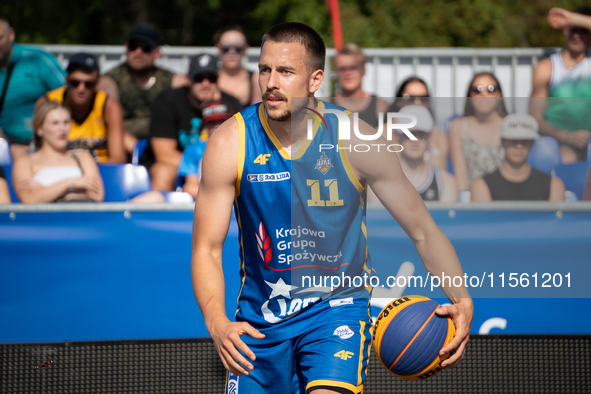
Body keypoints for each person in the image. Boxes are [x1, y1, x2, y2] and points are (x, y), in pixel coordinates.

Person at [191, 22, 473, 394]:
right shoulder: (230, 142)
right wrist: (217, 322)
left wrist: (461, 297)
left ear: (315, 79)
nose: (271, 82)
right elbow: (206, 249)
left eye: (286, 71)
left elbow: (422, 229)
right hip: (259, 324)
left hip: (336, 311)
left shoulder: (357, 139)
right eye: (265, 69)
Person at [147, 53, 241, 191]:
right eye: (198, 78)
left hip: (222, 165)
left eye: (211, 78)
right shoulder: (167, 101)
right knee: (163, 171)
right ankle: (164, 213)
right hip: (181, 166)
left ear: (218, 79)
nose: (205, 84)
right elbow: (164, 154)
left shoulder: (231, 104)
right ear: (187, 79)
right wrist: (200, 168)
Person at [99, 23, 189, 154]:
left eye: (146, 47)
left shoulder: (171, 80)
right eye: (133, 46)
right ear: (126, 48)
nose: (138, 51)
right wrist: (137, 149)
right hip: (122, 147)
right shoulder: (111, 79)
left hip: (164, 146)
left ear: (157, 53)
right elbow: (104, 118)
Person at [36, 53, 126, 163]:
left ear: (97, 83)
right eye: (75, 83)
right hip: (58, 170)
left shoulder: (109, 106)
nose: (81, 88)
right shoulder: (47, 103)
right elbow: (40, 154)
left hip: (101, 173)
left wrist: (91, 176)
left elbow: (118, 158)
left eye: (88, 84)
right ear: (67, 80)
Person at [530, 6, 591, 163]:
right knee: (559, 156)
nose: (576, 35)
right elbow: (535, 118)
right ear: (565, 31)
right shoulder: (546, 68)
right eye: (572, 29)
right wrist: (567, 137)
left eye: (583, 30)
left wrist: (571, 19)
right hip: (557, 142)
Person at [12, 101, 104, 203]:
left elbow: (97, 196)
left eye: (66, 122)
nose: (62, 129)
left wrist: (44, 190)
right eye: (55, 123)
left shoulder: (83, 158)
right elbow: (29, 200)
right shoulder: (24, 162)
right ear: (39, 129)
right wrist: (71, 183)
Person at [0, 17, 65, 160]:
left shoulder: (38, 59)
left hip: (43, 142)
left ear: (11, 34)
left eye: (0, 38)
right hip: (5, 146)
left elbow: (68, 95)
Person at [471, 114, 565, 201]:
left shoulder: (554, 185)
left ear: (532, 144)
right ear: (502, 141)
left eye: (525, 141)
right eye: (513, 140)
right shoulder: (482, 186)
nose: (519, 146)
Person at [449, 72, 507, 197]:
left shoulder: (511, 125)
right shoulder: (458, 127)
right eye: (477, 90)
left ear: (499, 95)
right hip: (473, 201)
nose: (484, 95)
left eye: (491, 89)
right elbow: (460, 174)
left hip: (508, 198)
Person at [397, 105, 457, 202]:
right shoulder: (380, 181)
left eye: (421, 134)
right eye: (408, 133)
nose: (414, 140)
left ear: (430, 137)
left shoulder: (446, 183)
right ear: (398, 136)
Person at [391, 76, 449, 171]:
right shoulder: (382, 133)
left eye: (423, 98)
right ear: (399, 100)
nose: (417, 102)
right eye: (410, 98)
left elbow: (439, 177)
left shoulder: (439, 136)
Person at [178, 100, 233, 198]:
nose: (217, 125)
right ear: (204, 125)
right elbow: (190, 186)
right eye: (212, 122)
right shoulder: (193, 150)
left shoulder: (243, 146)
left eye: (222, 121)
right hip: (206, 199)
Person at [332, 43, 389, 128]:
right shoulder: (323, 108)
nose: (347, 73)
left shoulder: (381, 108)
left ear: (364, 70)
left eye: (353, 68)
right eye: (342, 69)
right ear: (336, 72)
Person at [215, 25, 262, 109]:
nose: (232, 52)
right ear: (218, 49)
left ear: (245, 50)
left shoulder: (256, 78)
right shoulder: (208, 77)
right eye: (226, 48)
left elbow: (256, 115)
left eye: (238, 48)